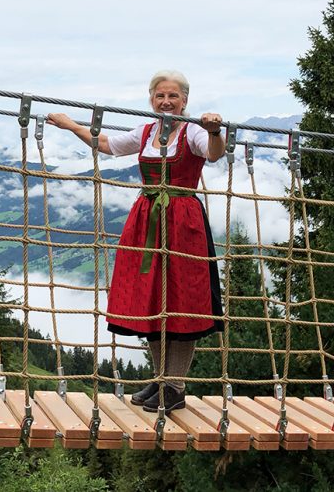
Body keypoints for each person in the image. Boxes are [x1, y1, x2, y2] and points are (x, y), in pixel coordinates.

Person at [47, 70, 225, 412]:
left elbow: (214, 154)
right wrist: (71, 125)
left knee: (182, 302)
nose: (167, 102)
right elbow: (106, 145)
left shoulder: (195, 133)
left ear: (185, 100)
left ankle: (174, 386)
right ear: (151, 100)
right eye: (160, 96)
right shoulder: (146, 132)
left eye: (173, 96)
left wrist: (215, 130)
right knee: (151, 299)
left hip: (183, 224)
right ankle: (160, 380)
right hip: (147, 222)